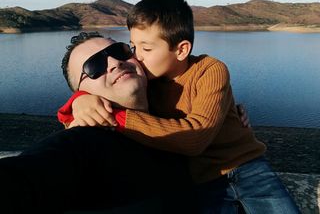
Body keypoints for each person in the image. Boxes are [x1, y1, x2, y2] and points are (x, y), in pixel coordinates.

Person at [58, 0, 301, 213]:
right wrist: (80, 100)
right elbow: (90, 109)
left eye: (146, 48)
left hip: (249, 168)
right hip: (204, 182)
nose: (136, 56)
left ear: (181, 50)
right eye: (133, 47)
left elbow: (196, 137)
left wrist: (118, 118)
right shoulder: (148, 82)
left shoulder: (210, 69)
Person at [0, 34, 198, 213]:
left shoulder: (179, 110)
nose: (114, 62)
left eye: (118, 51)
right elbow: (25, 178)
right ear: (81, 91)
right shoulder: (84, 142)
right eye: (94, 66)